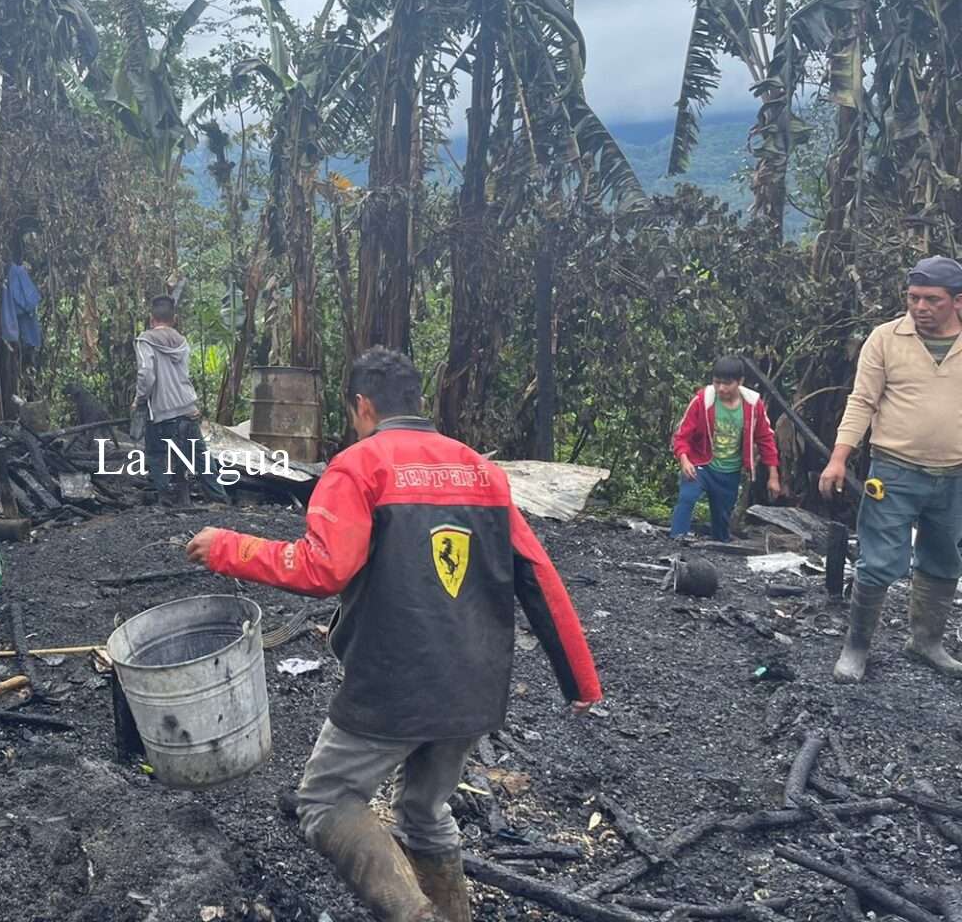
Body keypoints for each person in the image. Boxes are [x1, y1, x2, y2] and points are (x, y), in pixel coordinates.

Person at [185, 347, 601, 922]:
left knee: (327, 799)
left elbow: (322, 568)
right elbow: (538, 577)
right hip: (475, 687)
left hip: (394, 685)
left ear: (362, 406)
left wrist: (229, 547)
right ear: (417, 403)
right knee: (426, 809)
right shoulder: (481, 471)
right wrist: (581, 683)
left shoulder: (360, 467)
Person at [819, 255, 962, 683]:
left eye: (931, 300)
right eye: (913, 298)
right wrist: (839, 457)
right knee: (879, 560)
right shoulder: (886, 339)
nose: (919, 307)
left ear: (957, 302)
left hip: (955, 475)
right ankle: (856, 648)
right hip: (894, 471)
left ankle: (926, 642)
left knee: (943, 558)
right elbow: (862, 401)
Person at [669, 355, 782, 542]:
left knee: (722, 518)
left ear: (740, 382)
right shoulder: (702, 401)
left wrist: (773, 475)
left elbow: (766, 439)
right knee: (687, 498)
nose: (721, 389)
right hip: (701, 464)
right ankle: (676, 540)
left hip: (730, 471)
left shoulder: (753, 406)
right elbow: (682, 435)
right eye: (717, 382)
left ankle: (720, 549)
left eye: (727, 384)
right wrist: (684, 459)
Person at [134, 295, 228, 507]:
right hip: (187, 408)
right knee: (200, 456)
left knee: (157, 455)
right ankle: (219, 498)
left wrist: (140, 399)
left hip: (162, 411)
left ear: (151, 319)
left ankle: (167, 500)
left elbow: (147, 374)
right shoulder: (182, 342)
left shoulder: (145, 340)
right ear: (174, 319)